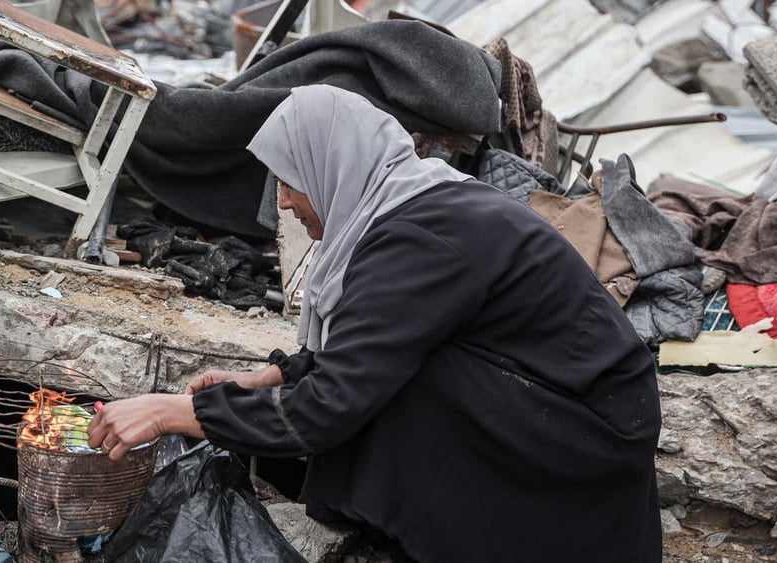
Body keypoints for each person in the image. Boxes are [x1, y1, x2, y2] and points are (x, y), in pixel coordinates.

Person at [88, 85, 662, 562]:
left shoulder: (419, 239)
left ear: (332, 167)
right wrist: (276, 378)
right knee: (393, 376)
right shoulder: (413, 205)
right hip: (565, 403)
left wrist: (174, 414)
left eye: (290, 181)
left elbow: (329, 408)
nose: (283, 203)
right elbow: (380, 343)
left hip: (585, 434)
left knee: (392, 393)